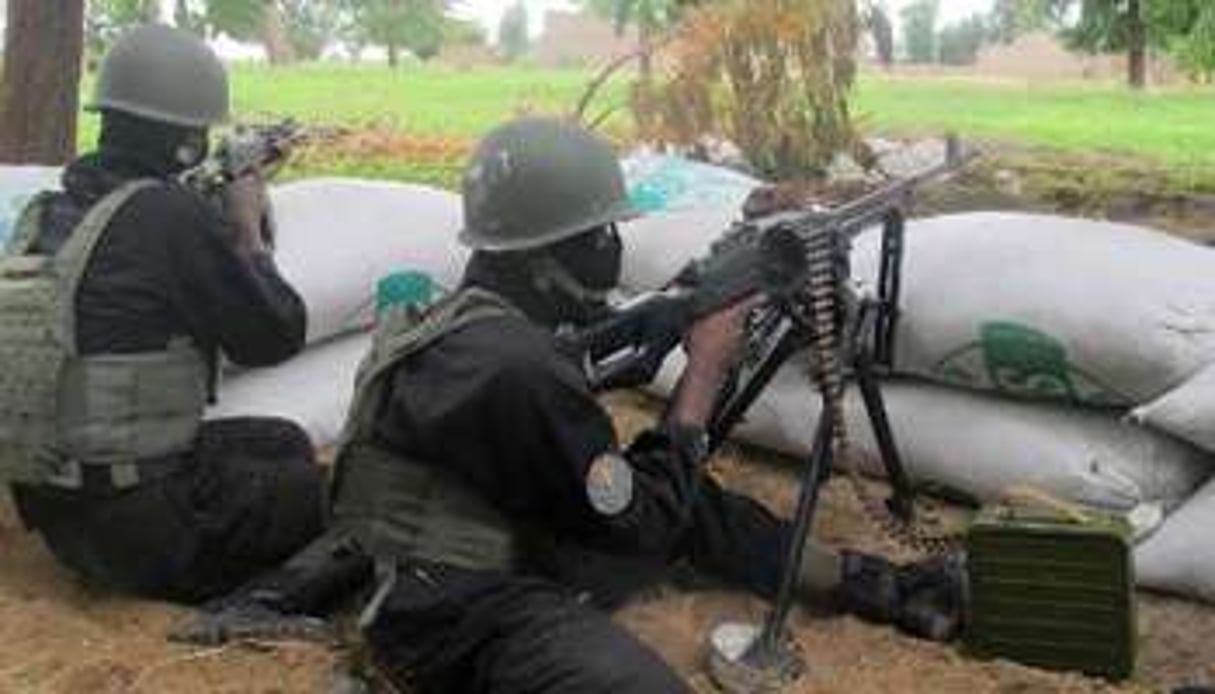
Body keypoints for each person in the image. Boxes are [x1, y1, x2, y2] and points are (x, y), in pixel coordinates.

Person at [178, 117, 964, 691]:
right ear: (558, 252)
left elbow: (554, 379)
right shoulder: (518, 369)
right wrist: (701, 376)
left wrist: (667, 312)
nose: (613, 247)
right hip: (453, 615)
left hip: (430, 556)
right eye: (600, 234)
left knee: (695, 500)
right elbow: (641, 518)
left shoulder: (465, 321)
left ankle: (887, 588)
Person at [0, 24, 324, 603]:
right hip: (149, 535)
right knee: (327, 489)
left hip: (60, 519)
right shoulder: (168, 216)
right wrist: (247, 232)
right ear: (187, 140)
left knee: (280, 440)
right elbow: (275, 335)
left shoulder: (46, 213)